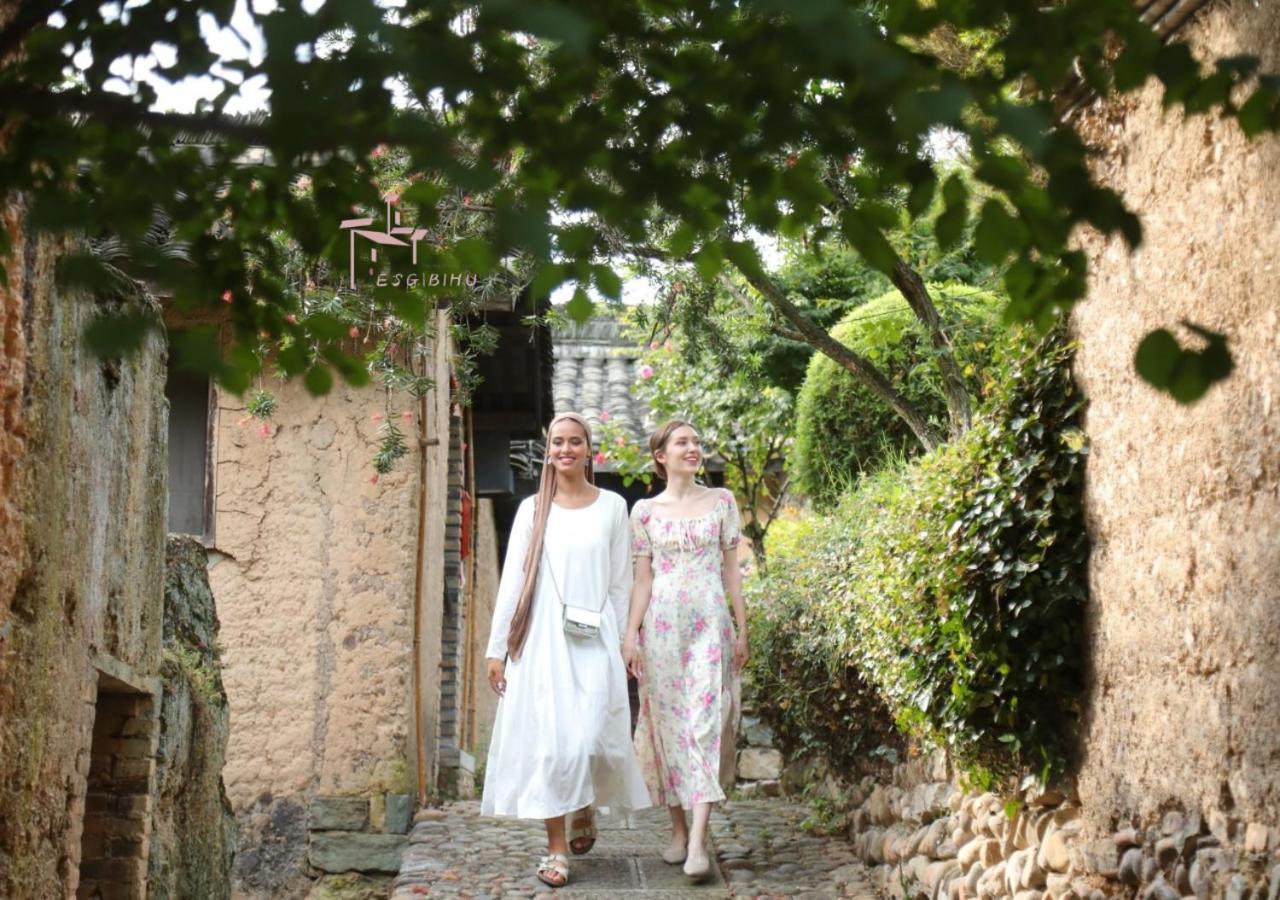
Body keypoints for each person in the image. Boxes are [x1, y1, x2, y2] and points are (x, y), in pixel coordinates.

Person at [481, 412, 651, 888]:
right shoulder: (532, 510)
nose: (565, 449)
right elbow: (513, 582)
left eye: (575, 441)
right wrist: (497, 649)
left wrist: (628, 639)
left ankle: (583, 805)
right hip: (542, 640)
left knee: (593, 737)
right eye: (558, 442)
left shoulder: (612, 507)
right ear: (548, 451)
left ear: (588, 450)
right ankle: (556, 849)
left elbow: (620, 582)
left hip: (595, 635)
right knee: (552, 746)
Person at [623, 419, 749, 883]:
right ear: (661, 456)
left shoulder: (722, 501)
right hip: (660, 632)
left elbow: (732, 571)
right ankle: (677, 829)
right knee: (667, 727)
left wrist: (742, 628)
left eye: (696, 441)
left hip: (710, 628)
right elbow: (643, 580)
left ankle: (698, 841)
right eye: (682, 442)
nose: (693, 448)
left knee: (705, 726)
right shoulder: (644, 512)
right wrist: (630, 635)